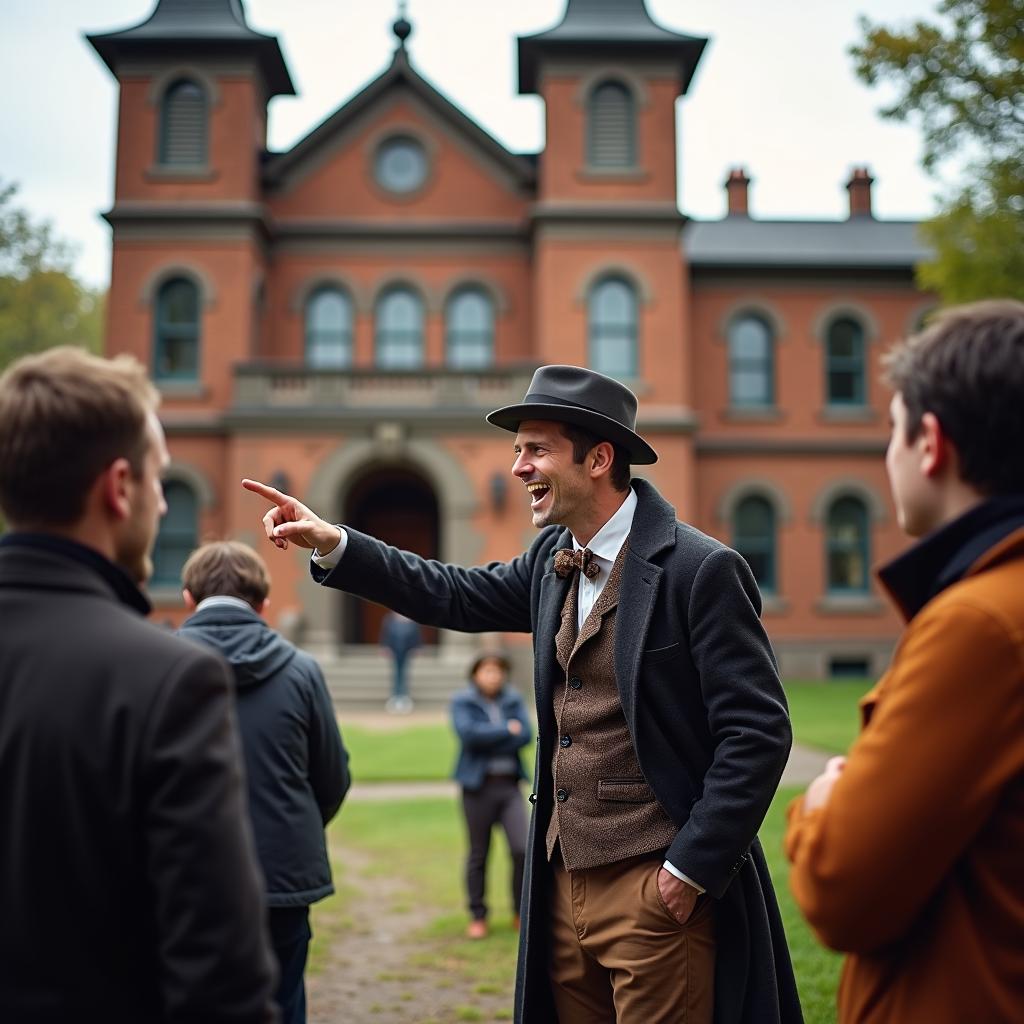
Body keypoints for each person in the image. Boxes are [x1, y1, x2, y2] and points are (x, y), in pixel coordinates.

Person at [244, 364, 801, 1024]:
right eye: (516, 452)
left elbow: (758, 732)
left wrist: (686, 872)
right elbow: (449, 591)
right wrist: (337, 543)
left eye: (535, 449)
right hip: (560, 888)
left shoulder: (699, 570)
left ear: (598, 458)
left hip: (656, 887)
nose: (517, 468)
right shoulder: (549, 561)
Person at [0, 347, 278, 1023]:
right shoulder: (166, 678)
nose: (162, 498)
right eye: (159, 477)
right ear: (118, 487)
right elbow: (220, 978)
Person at [785, 300, 1024, 1024]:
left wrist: (820, 804)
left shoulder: (978, 626)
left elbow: (840, 889)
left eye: (890, 430)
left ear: (929, 443)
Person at [178, 540, 351, 1024]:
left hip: (182, 873)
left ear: (189, 599)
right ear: (264, 604)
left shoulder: (154, 664)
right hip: (281, 872)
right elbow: (331, 776)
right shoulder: (302, 670)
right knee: (281, 1001)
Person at [451, 652, 532, 940]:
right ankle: (478, 915)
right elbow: (469, 735)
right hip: (477, 788)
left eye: (498, 671)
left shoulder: (512, 699)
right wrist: (506, 730)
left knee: (521, 849)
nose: (493, 676)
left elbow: (526, 734)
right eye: (487, 671)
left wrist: (499, 734)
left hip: (509, 787)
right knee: (479, 853)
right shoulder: (463, 701)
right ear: (475, 674)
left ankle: (520, 913)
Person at [379, 609, 422, 712]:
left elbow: (416, 636)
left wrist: (417, 647)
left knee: (404, 674)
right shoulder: (389, 619)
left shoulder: (412, 620)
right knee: (396, 674)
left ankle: (404, 697)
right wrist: (385, 647)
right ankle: (395, 697)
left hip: (407, 651)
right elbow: (385, 634)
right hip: (394, 651)